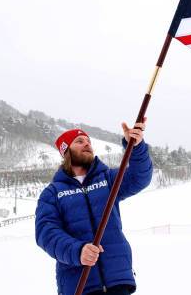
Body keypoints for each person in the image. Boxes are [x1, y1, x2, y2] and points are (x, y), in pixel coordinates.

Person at [35, 117, 152, 295]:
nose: (87, 144)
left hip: (117, 281)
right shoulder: (52, 193)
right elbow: (46, 233)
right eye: (80, 141)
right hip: (80, 285)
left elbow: (139, 177)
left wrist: (136, 147)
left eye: (89, 141)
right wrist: (78, 250)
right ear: (66, 151)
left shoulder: (108, 179)